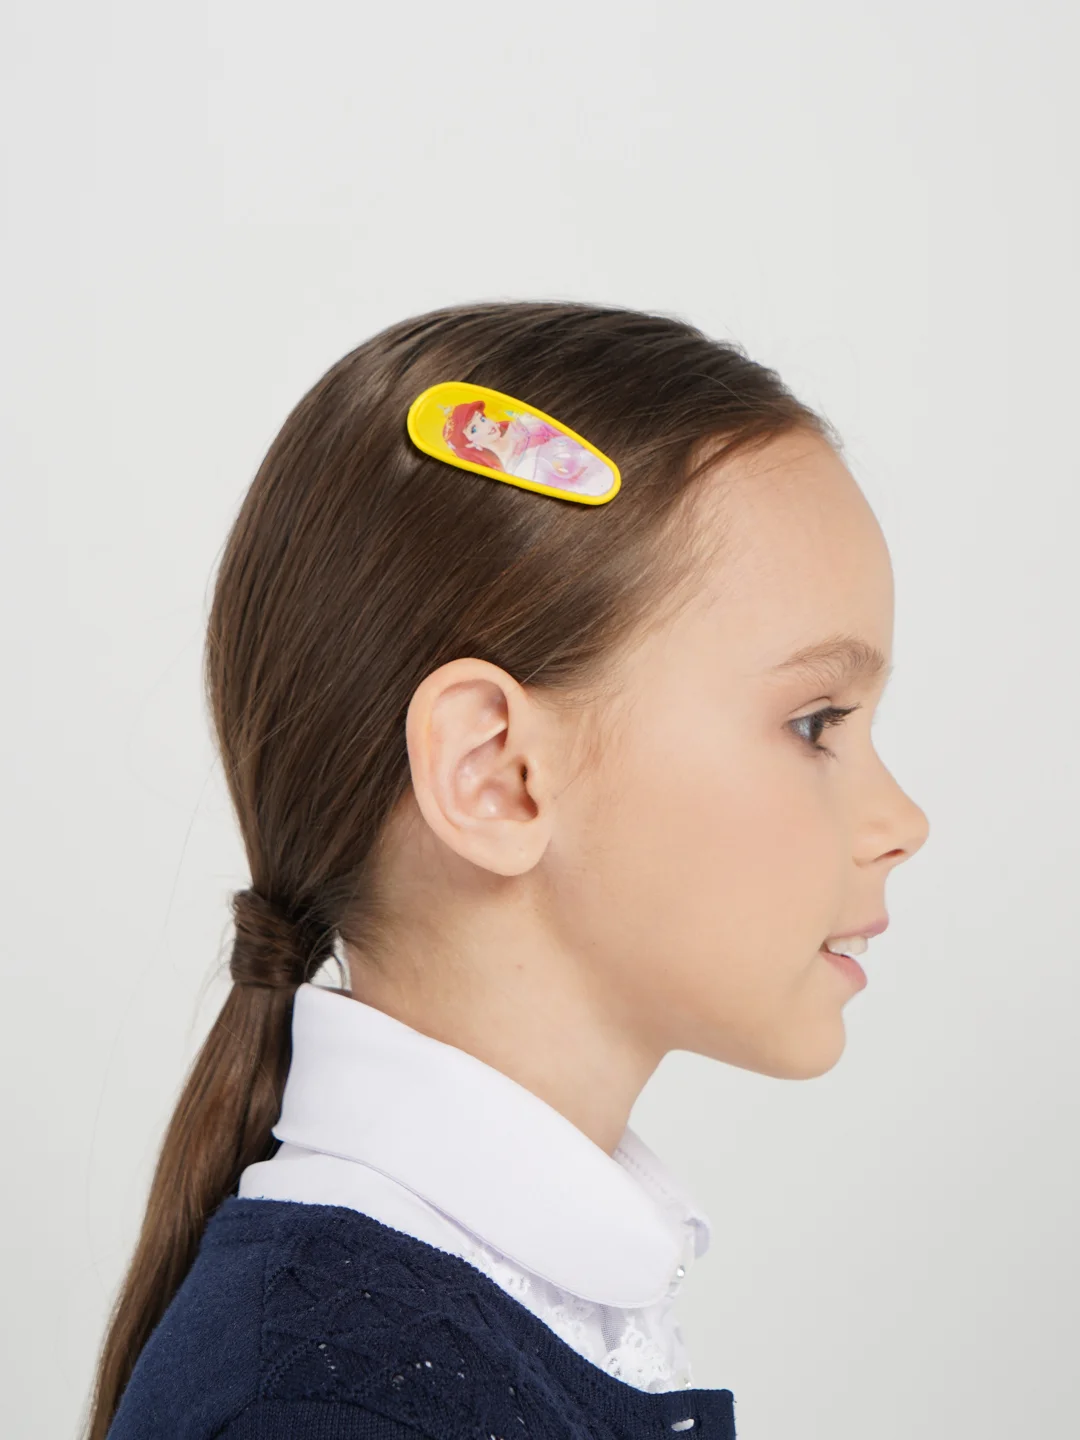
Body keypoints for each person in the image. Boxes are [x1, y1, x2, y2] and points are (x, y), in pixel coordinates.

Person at [86, 301, 929, 1440]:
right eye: (815, 722)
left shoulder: (494, 1326)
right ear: (497, 775)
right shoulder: (326, 1406)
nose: (903, 822)